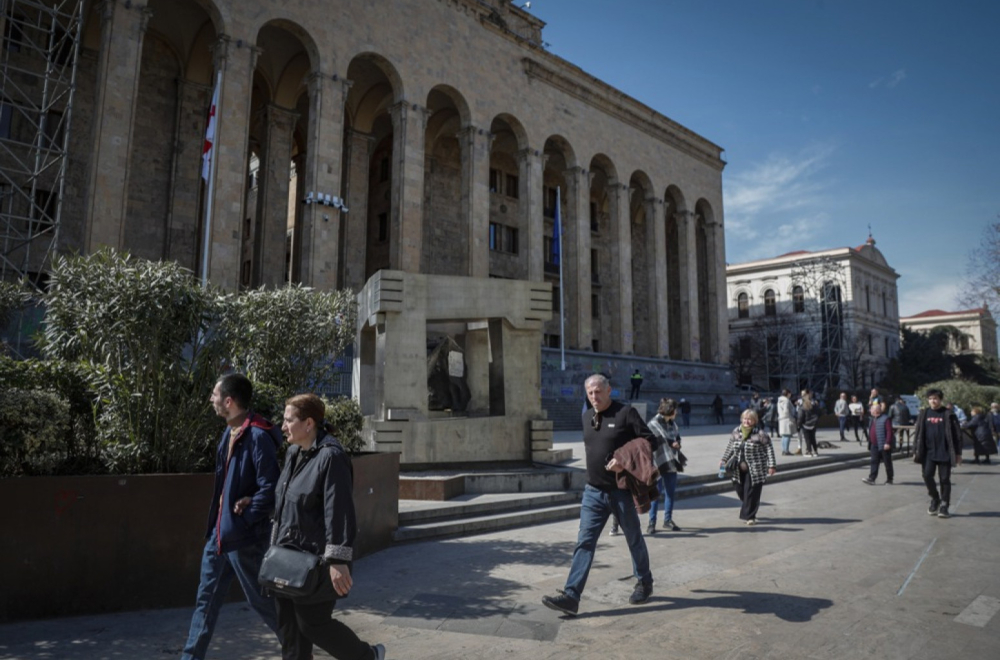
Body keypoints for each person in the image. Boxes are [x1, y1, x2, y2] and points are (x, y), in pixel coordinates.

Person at [271, 393, 385, 660]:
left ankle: (367, 657)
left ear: (308, 423)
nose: (283, 426)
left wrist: (338, 560)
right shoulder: (293, 453)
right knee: (290, 633)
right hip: (285, 560)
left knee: (313, 624)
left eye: (288, 420)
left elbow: (339, 510)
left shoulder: (331, 457)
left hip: (315, 563)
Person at [181, 373, 283, 660]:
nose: (211, 400)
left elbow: (271, 487)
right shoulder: (229, 432)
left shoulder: (258, 437)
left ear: (229, 401)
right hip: (219, 535)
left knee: (261, 602)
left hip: (245, 538)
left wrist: (247, 515)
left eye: (215, 395)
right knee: (205, 601)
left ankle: (297, 647)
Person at [542, 374, 656, 616]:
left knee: (633, 538)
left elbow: (649, 441)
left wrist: (624, 461)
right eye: (590, 393)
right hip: (593, 491)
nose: (594, 396)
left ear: (609, 390)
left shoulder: (626, 413)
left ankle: (644, 582)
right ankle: (571, 596)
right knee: (584, 542)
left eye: (598, 391)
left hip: (621, 491)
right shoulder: (586, 416)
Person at [718, 409, 777, 525]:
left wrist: (772, 465)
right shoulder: (736, 431)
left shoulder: (760, 434)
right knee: (740, 489)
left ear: (754, 421)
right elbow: (730, 447)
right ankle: (750, 506)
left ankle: (749, 516)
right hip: (738, 468)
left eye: (749, 419)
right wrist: (724, 459)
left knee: (751, 491)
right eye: (745, 419)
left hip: (755, 468)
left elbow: (769, 450)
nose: (747, 421)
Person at [913, 389, 963, 519]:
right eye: (930, 399)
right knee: (927, 475)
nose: (932, 401)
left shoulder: (948, 414)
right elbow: (918, 433)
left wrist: (958, 453)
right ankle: (935, 498)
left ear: (940, 399)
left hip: (944, 452)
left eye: (935, 398)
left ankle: (944, 505)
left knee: (944, 479)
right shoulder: (924, 414)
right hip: (928, 452)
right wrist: (915, 451)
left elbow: (957, 435)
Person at [647, 398, 682, 533]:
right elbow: (656, 439)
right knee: (655, 493)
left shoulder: (673, 424)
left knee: (670, 493)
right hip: (657, 462)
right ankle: (652, 522)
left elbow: (677, 437)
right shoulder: (654, 423)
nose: (677, 412)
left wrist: (678, 442)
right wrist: (670, 442)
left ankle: (667, 520)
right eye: (675, 409)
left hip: (671, 462)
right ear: (670, 410)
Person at [861, 402, 894, 485]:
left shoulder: (885, 418)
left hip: (883, 444)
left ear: (876, 410)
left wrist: (887, 442)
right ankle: (872, 478)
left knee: (887, 462)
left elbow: (889, 431)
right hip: (874, 444)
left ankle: (890, 479)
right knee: (874, 461)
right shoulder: (872, 419)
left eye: (871, 409)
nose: (870, 411)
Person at [796, 391, 820, 457]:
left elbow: (800, 417)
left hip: (805, 424)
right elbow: (818, 413)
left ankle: (809, 451)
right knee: (813, 438)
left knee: (807, 439)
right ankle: (815, 451)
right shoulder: (814, 406)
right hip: (813, 424)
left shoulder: (802, 407)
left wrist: (798, 425)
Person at [777, 389, 795, 456]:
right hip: (787, 419)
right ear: (788, 394)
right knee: (787, 435)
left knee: (784, 436)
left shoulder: (779, 400)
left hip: (781, 419)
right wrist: (791, 417)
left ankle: (784, 450)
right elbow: (786, 410)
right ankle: (786, 450)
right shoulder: (786, 400)